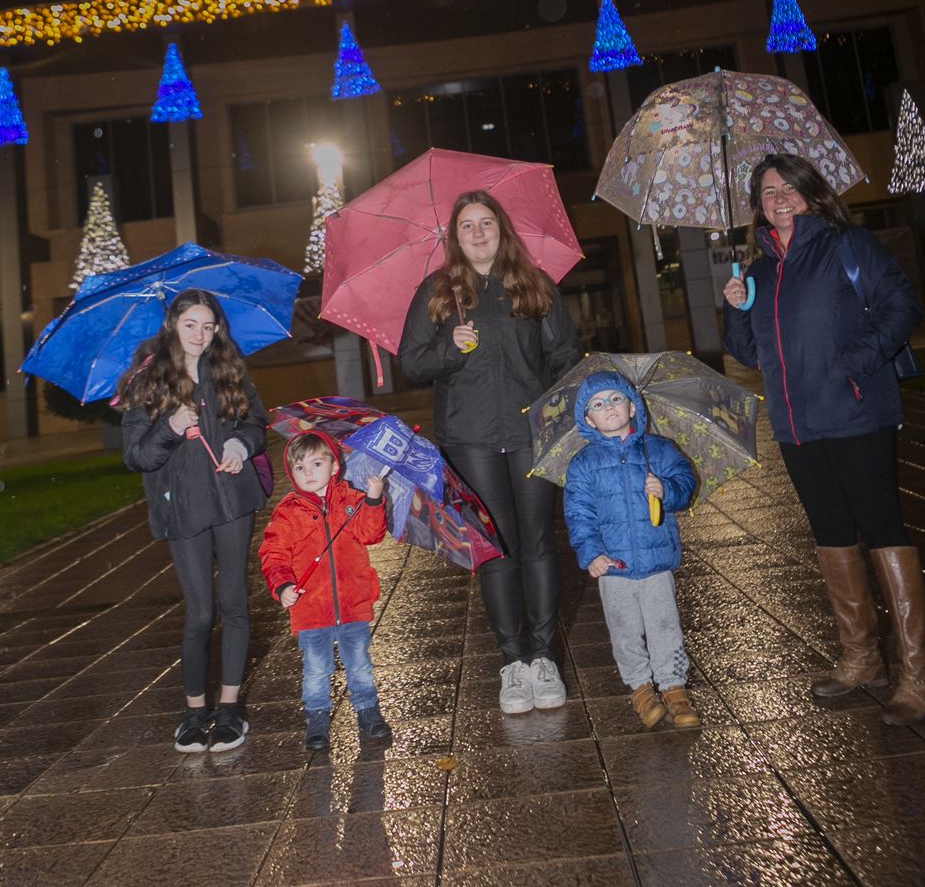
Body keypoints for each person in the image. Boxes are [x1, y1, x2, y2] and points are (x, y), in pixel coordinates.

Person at [722, 152, 925, 724]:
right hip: (796, 426)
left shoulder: (849, 244)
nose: (779, 198)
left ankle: (919, 673)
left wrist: (855, 362)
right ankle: (861, 657)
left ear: (810, 192)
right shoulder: (760, 269)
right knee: (831, 533)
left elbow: (902, 306)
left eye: (787, 187)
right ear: (758, 208)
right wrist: (736, 308)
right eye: (767, 192)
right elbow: (747, 352)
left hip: (856, 412)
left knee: (882, 529)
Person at [399, 189, 580, 715]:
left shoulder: (533, 285)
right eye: (466, 227)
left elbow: (564, 356)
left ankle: (544, 657)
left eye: (486, 224)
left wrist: (562, 414)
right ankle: (513, 661)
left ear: (502, 229)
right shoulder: (437, 293)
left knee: (539, 542)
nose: (478, 234)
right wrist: (449, 349)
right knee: (495, 548)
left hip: (530, 433)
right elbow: (412, 361)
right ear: (454, 238)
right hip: (470, 437)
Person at [119, 289, 269, 753]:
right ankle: (193, 710)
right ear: (173, 325)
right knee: (201, 612)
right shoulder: (148, 379)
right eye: (191, 325)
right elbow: (135, 456)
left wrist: (240, 446)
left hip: (230, 500)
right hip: (182, 506)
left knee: (235, 604)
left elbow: (256, 422)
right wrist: (169, 428)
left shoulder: (228, 370)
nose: (200, 335)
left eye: (208, 326)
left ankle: (229, 708)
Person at [564, 371, 700, 729]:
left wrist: (667, 489)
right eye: (597, 404)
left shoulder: (659, 450)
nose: (608, 408)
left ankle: (673, 686)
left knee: (664, 624)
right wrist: (591, 553)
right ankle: (640, 686)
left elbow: (686, 484)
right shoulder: (583, 465)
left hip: (656, 560)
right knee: (624, 628)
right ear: (587, 418)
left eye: (615, 399)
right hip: (614, 565)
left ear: (633, 406)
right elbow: (579, 514)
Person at [258, 430, 390, 749]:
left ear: (334, 466)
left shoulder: (350, 500)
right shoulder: (288, 512)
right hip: (310, 608)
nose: (309, 473)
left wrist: (373, 499)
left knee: (359, 663)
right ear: (291, 472)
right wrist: (284, 585)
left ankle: (368, 711)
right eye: (300, 468)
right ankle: (317, 717)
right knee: (316, 668)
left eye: (316, 464)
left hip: (353, 602)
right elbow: (273, 553)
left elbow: (371, 534)